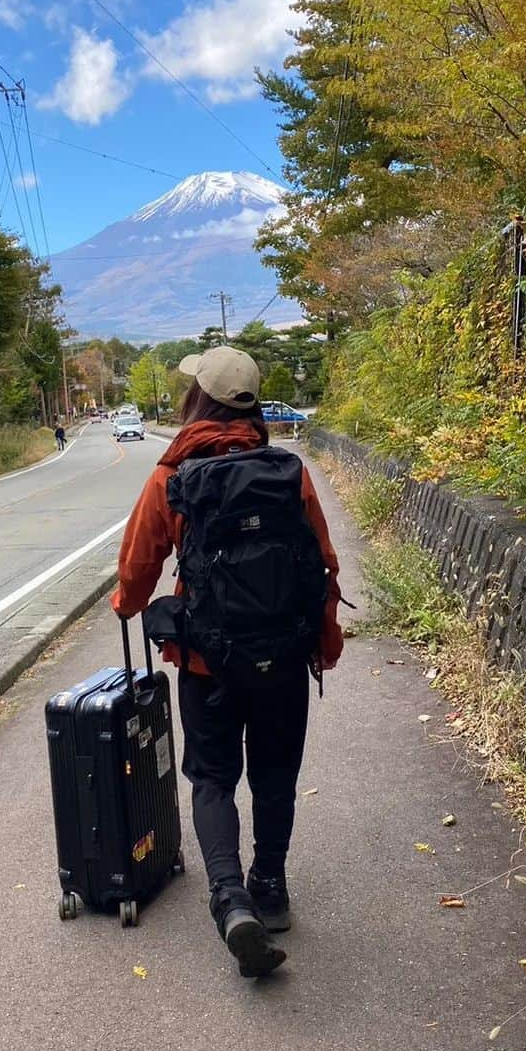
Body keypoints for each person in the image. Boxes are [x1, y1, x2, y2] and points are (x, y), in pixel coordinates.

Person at [111, 346, 343, 978]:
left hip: (207, 663)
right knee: (274, 774)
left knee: (212, 778)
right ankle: (268, 884)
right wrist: (317, 639)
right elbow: (323, 562)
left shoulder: (172, 476)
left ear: (199, 400)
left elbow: (136, 571)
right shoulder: (288, 472)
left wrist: (128, 603)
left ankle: (227, 895)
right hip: (284, 659)